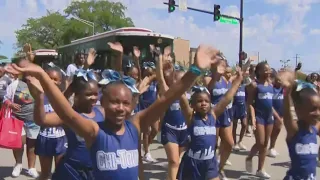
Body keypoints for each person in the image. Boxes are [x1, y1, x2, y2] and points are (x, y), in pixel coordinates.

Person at [6, 44, 219, 179]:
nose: (120, 108)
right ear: (103, 102)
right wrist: (43, 78)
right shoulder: (94, 131)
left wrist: (195, 70)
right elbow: (67, 113)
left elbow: (168, 97)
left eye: (126, 103)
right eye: (114, 102)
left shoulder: (135, 125)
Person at [177, 65, 243, 180]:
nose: (203, 103)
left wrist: (238, 81)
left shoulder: (213, 115)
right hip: (193, 164)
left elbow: (226, 98)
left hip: (210, 163)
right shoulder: (191, 117)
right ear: (192, 104)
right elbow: (182, 99)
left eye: (206, 101)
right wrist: (191, 73)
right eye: (199, 101)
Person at [278, 70, 319, 180]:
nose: (317, 113)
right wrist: (287, 91)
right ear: (298, 110)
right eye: (313, 109)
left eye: (319, 109)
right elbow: (287, 113)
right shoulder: (294, 131)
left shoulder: (314, 129)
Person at [3, 57, 40, 178]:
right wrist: (11, 104)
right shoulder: (15, 84)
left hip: (34, 120)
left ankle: (31, 168)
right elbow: (5, 98)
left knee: (32, 145)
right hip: (17, 120)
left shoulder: (37, 82)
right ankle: (18, 164)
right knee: (18, 144)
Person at [34, 67, 67, 180]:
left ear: (60, 81)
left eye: (55, 79)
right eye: (49, 78)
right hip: (44, 138)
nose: (52, 81)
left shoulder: (63, 97)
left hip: (61, 139)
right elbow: (38, 118)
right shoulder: (40, 96)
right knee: (45, 174)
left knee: (60, 173)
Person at [245, 62, 275, 178]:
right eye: (266, 70)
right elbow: (250, 103)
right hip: (259, 117)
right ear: (260, 71)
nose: (269, 72)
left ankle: (260, 169)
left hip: (269, 118)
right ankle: (249, 157)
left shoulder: (271, 85)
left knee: (265, 144)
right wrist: (252, 118)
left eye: (269, 70)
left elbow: (271, 104)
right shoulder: (254, 85)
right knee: (260, 142)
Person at [268, 70, 284, 158]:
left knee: (277, 130)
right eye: (277, 80)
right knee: (269, 131)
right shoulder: (271, 88)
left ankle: (272, 147)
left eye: (280, 80)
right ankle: (264, 148)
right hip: (271, 113)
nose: (279, 82)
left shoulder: (283, 89)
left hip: (280, 113)